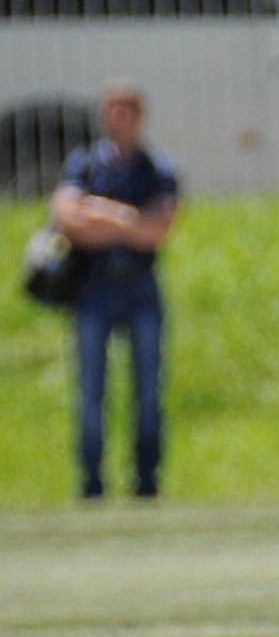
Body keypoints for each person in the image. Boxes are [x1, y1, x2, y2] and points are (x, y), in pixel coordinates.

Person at [48, 80, 180, 500]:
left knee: (148, 391)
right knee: (90, 391)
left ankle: (146, 480)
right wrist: (129, 220)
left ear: (140, 116)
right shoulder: (85, 163)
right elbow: (67, 217)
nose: (120, 117)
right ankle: (91, 482)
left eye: (128, 109)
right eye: (113, 109)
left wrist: (101, 213)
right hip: (93, 288)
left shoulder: (157, 167)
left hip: (140, 288)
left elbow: (157, 230)